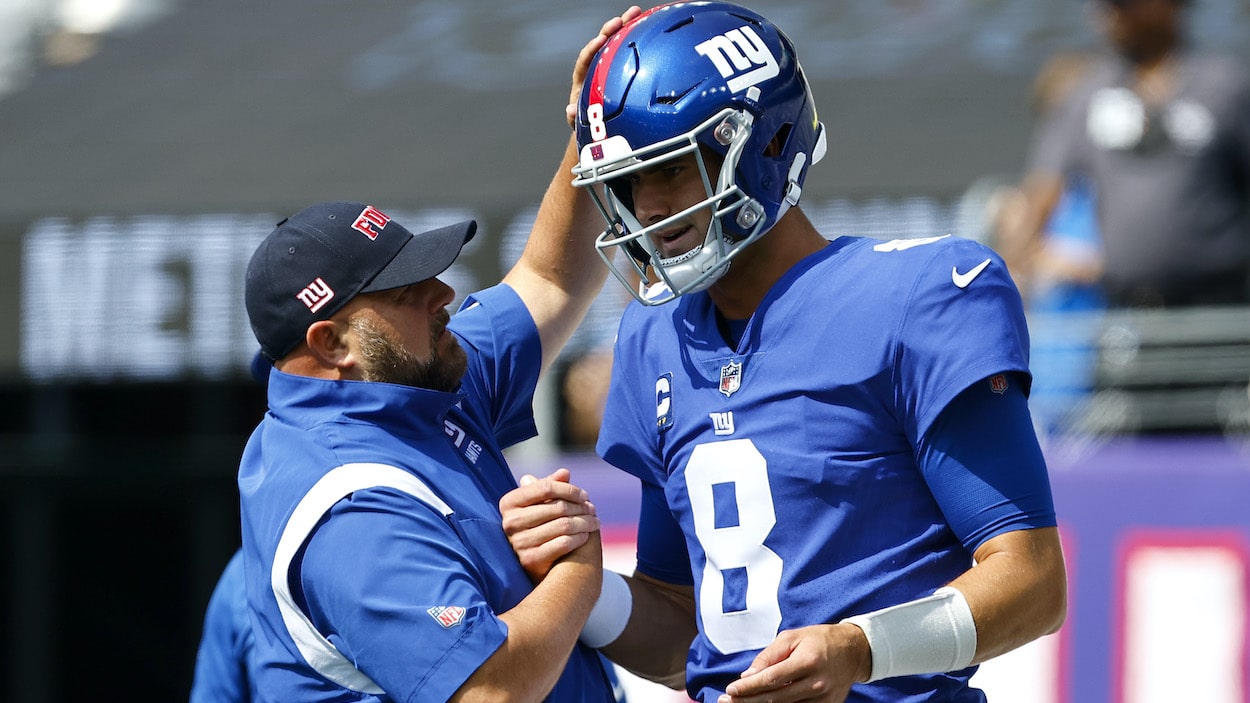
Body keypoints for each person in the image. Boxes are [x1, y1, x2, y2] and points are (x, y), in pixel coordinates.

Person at [502, 3, 1067, 702]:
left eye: (671, 169)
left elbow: (1033, 581)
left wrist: (859, 650)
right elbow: (690, 631)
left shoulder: (917, 294)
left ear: (766, 144)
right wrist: (581, 580)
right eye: (626, 183)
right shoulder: (654, 339)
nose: (646, 208)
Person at [235, 10, 643, 701]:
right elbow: (489, 691)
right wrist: (578, 566)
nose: (443, 291)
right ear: (332, 344)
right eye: (403, 290)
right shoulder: (346, 503)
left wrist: (592, 130)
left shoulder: (411, 378)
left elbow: (549, 279)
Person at [1003, 0, 1250, 309]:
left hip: (1220, 312)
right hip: (1128, 315)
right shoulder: (1089, 94)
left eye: (1124, 4)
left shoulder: (1225, 85)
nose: (1110, 15)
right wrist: (1006, 274)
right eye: (1103, 6)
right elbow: (1042, 190)